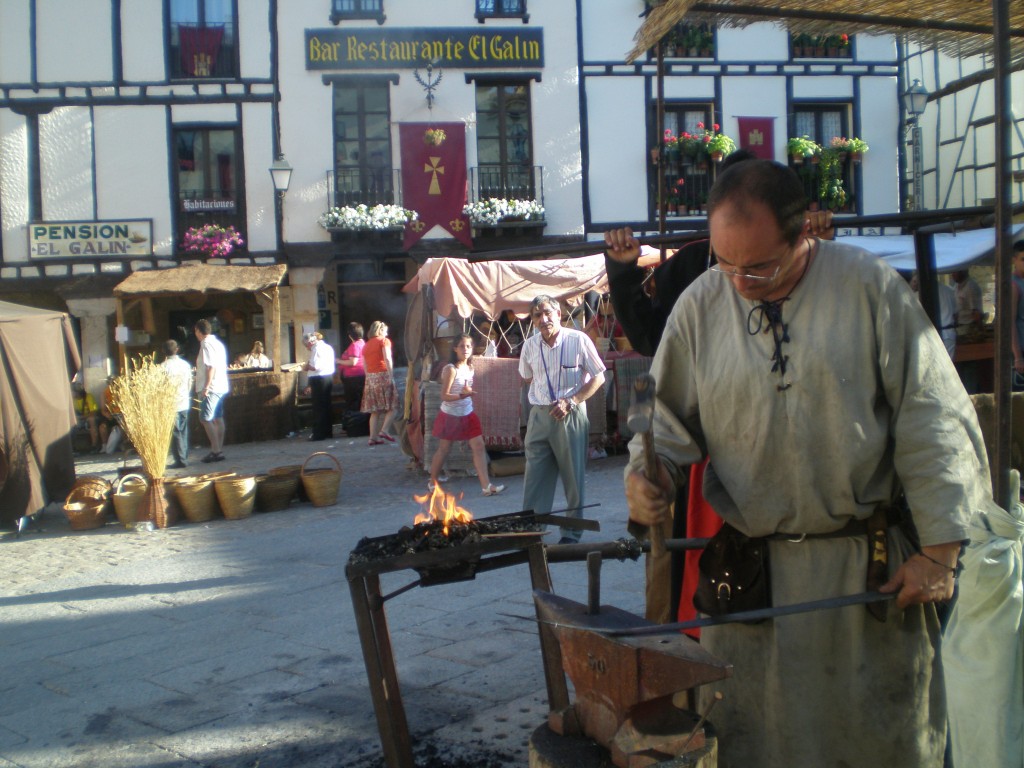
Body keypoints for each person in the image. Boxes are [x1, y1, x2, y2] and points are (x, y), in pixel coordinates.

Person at [615, 159, 994, 767]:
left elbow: (932, 415)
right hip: (749, 590)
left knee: (874, 744)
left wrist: (941, 551)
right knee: (750, 743)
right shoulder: (701, 305)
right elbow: (661, 421)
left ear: (803, 237)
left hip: (863, 582)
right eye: (726, 263)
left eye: (759, 266)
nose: (740, 282)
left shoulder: (868, 287)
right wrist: (646, 476)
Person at [605, 148, 834, 625]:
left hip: (787, 451)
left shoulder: (819, 266)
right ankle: (674, 634)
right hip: (698, 433)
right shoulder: (692, 266)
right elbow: (649, 340)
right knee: (674, 549)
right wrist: (624, 271)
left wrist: (818, 248)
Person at [519, 295, 606, 544]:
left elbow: (598, 376)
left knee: (572, 477)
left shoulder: (578, 340)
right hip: (539, 415)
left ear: (559, 314)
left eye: (547, 313)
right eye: (537, 315)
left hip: (570, 414)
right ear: (533, 321)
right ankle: (531, 532)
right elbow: (527, 377)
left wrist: (572, 400)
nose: (543, 319)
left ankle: (571, 533)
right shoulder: (530, 346)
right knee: (534, 477)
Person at [428, 333, 505, 497]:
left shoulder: (470, 367)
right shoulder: (450, 369)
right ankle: (432, 482)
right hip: (450, 414)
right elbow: (444, 396)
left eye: (468, 346)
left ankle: (486, 486)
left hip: (467, 412)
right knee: (444, 449)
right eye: (462, 346)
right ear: (455, 349)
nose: (465, 349)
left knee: (478, 446)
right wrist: (462, 396)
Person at [194, 319, 229, 463]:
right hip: (221, 385)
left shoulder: (206, 344)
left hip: (211, 386)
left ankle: (216, 450)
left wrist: (206, 387)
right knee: (218, 418)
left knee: (205, 418)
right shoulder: (218, 343)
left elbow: (210, 366)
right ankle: (218, 448)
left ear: (198, 331)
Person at [361, 320, 399, 446]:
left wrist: (369, 378)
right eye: (386, 331)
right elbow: (387, 358)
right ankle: (384, 430)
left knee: (375, 410)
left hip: (370, 378)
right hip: (383, 375)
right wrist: (391, 374)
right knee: (393, 406)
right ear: (381, 330)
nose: (387, 333)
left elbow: (365, 365)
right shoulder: (384, 341)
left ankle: (372, 438)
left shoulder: (366, 345)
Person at [909, 271, 957, 358]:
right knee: (949, 367)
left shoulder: (922, 295)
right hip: (949, 334)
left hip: (933, 334)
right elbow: (955, 315)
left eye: (916, 282)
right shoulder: (949, 290)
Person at [161, 339, 193, 468]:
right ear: (177, 349)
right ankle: (184, 456)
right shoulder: (185, 364)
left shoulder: (163, 367)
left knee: (175, 432)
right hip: (184, 400)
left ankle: (180, 460)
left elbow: (161, 386)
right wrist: (186, 393)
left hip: (170, 402)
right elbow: (190, 382)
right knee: (183, 430)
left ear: (164, 351)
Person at [304, 331, 336, 442]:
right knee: (326, 405)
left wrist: (306, 366)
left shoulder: (316, 349)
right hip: (328, 377)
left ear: (310, 342)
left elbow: (315, 366)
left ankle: (318, 434)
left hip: (318, 379)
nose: (307, 348)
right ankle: (328, 432)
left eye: (306, 345)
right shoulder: (328, 347)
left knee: (318, 407)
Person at [337, 322, 366, 408]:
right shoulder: (362, 343)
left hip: (353, 379)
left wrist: (338, 361)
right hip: (359, 377)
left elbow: (353, 362)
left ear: (350, 335)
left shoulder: (355, 345)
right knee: (359, 401)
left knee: (353, 402)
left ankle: (354, 419)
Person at [72, 377, 101, 452]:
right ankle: (72, 448)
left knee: (91, 420)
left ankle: (94, 446)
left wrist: (82, 417)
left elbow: (93, 412)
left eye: (73, 392)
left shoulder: (89, 397)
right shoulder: (72, 400)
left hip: (88, 418)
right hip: (78, 419)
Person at [952, 267, 983, 334]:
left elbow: (976, 313)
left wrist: (979, 330)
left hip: (969, 327)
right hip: (959, 325)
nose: (953, 274)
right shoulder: (956, 286)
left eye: (955, 272)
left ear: (963, 272)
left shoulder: (971, 287)